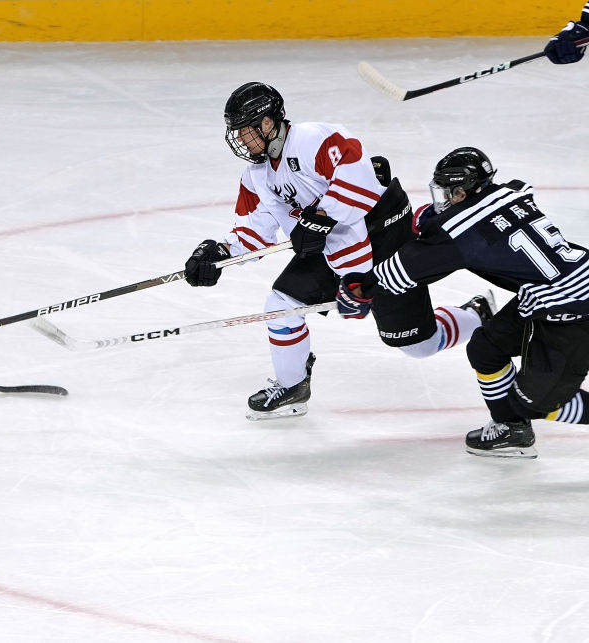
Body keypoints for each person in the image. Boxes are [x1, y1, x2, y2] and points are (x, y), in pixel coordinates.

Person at [184, 82, 489, 421]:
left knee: (418, 345)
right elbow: (256, 228)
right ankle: (292, 386)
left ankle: (477, 314)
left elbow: (358, 175)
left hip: (383, 237)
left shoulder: (313, 139)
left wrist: (322, 218)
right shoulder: (256, 175)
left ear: (267, 122)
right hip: (335, 246)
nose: (241, 140)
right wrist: (221, 253)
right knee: (281, 306)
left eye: (245, 130)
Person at [337, 147, 589, 458]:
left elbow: (405, 269)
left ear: (462, 191)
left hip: (574, 312)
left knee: (536, 404)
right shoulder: (513, 194)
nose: (442, 198)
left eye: (448, 192)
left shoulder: (458, 232)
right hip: (549, 296)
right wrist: (437, 221)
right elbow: (517, 191)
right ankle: (511, 430)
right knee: (486, 348)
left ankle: (520, 416)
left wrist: (362, 289)